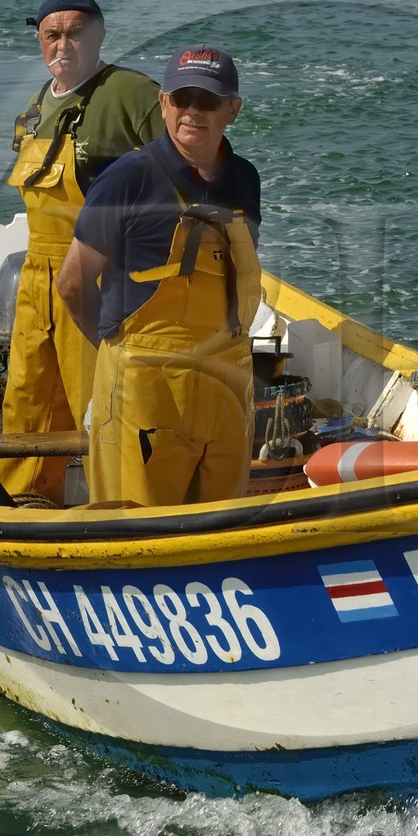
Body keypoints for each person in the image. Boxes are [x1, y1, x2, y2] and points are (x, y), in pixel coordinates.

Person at [58, 45, 262, 507]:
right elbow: (72, 282)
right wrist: (117, 356)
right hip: (144, 392)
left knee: (223, 527)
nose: (193, 111)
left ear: (232, 110)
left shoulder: (246, 179)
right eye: (182, 98)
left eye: (208, 101)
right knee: (134, 529)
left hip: (228, 385)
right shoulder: (126, 178)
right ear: (163, 104)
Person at [0, 0, 164, 503]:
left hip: (98, 274)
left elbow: (180, 174)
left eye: (75, 33)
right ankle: (25, 502)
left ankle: (121, 506)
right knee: (28, 399)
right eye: (52, 34)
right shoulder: (36, 105)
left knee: (102, 400)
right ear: (39, 40)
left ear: (99, 35)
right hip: (37, 280)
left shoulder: (132, 93)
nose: (62, 44)